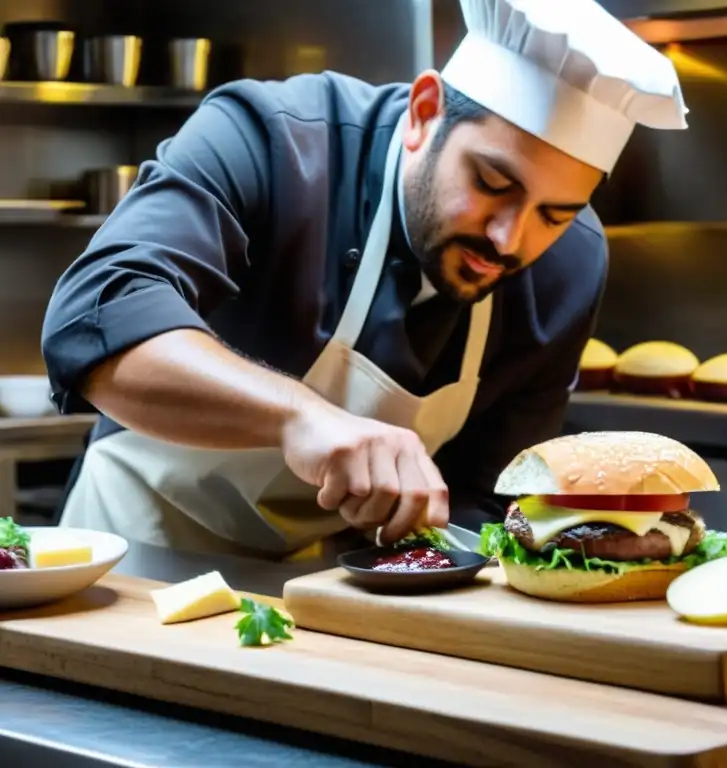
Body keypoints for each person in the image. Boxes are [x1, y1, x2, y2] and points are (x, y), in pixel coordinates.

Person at [40, 0, 689, 559]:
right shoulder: (274, 142)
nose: (509, 238)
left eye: (554, 214)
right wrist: (299, 416)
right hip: (141, 560)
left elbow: (491, 498)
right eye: (492, 184)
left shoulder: (569, 267)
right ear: (424, 112)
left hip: (339, 604)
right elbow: (97, 315)